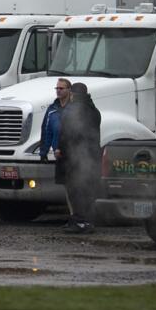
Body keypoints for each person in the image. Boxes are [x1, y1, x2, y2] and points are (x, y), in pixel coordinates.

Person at [58, 81, 102, 233]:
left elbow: (66, 133)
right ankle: (88, 222)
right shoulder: (94, 110)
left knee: (75, 190)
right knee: (88, 190)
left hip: (75, 157)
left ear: (73, 94)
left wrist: (62, 151)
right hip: (93, 155)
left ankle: (79, 221)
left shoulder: (74, 110)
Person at [39, 78, 71, 187]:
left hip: (73, 154)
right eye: (57, 88)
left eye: (61, 88)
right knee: (63, 184)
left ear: (68, 90)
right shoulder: (52, 109)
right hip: (58, 154)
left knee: (75, 184)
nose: (58, 90)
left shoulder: (74, 108)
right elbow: (46, 132)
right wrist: (43, 152)